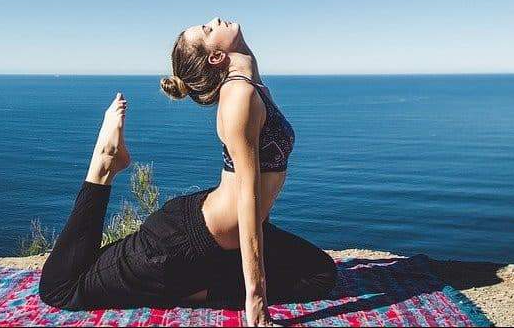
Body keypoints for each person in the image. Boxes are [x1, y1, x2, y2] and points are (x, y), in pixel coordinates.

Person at [38, 18, 336, 326]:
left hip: (220, 237)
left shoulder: (252, 85)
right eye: (208, 30)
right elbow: (248, 198)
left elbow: (257, 195)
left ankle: (187, 287)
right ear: (216, 57)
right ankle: (104, 164)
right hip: (181, 244)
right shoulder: (239, 97)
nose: (214, 21)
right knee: (62, 288)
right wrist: (256, 301)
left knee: (321, 274)